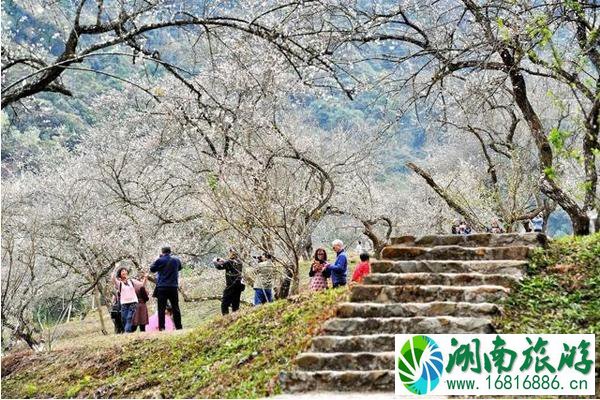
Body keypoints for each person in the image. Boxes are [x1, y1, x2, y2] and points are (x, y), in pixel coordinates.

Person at [150, 246, 183, 331]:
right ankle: (179, 326)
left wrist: (158, 259)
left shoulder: (160, 260)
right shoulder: (176, 260)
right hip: (173, 286)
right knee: (175, 307)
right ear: (170, 251)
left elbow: (152, 269)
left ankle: (162, 327)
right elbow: (179, 268)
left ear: (162, 252)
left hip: (162, 287)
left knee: (161, 308)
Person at [111, 266, 147, 333]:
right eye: (122, 271)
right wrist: (115, 268)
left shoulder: (132, 281)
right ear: (120, 274)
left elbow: (141, 285)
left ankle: (127, 333)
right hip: (124, 304)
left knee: (129, 318)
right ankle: (128, 332)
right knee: (124, 319)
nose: (124, 272)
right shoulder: (119, 283)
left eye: (125, 270)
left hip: (133, 302)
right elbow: (112, 278)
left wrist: (145, 278)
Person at [214, 248, 245, 315]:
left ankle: (226, 319)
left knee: (224, 304)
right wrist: (224, 261)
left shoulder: (229, 262)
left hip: (231, 286)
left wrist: (215, 261)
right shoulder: (240, 262)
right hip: (239, 285)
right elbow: (231, 265)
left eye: (230, 252)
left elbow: (219, 266)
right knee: (235, 304)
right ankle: (236, 318)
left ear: (231, 253)